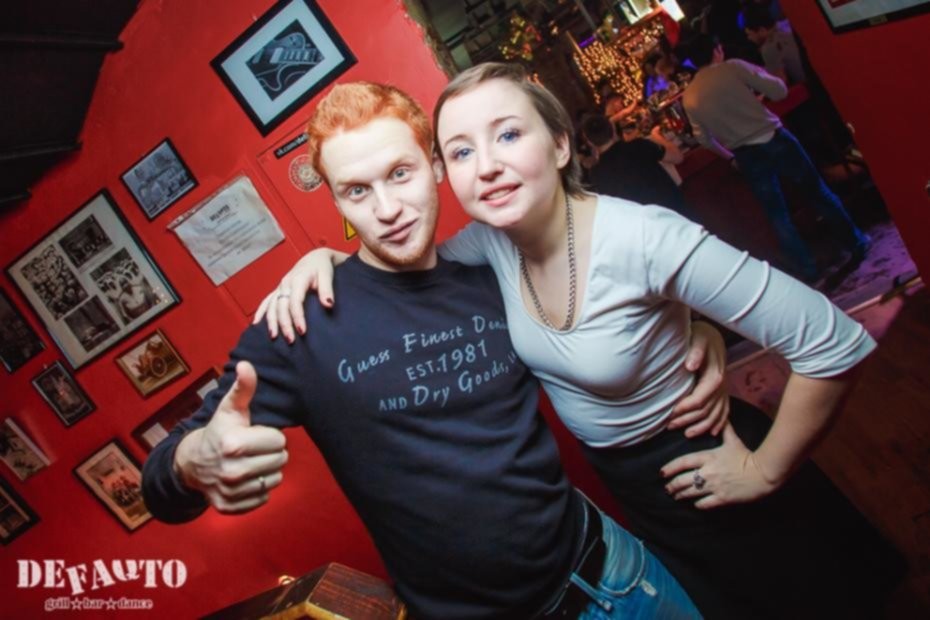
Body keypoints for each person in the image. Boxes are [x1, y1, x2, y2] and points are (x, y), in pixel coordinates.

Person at [260, 63, 904, 619]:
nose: (488, 165)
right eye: (461, 151)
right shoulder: (488, 246)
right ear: (444, 173)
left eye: (508, 134)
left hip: (706, 460)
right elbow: (397, 263)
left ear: (562, 144)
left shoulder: (644, 237)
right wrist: (323, 258)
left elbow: (832, 341)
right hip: (636, 493)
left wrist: (764, 470)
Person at [141, 81, 726, 619]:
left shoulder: (494, 271)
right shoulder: (300, 324)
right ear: (338, 202)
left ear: (436, 165)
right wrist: (192, 461)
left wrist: (697, 336)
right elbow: (160, 483)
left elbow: (608, 320)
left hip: (619, 577)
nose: (387, 210)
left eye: (401, 173)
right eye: (357, 191)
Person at [677, 33, 869, 281]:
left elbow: (703, 138)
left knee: (777, 215)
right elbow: (779, 91)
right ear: (716, 50)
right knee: (817, 193)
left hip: (745, 154)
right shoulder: (732, 68)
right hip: (774, 138)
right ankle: (855, 242)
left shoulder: (689, 97)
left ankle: (808, 268)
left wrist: (730, 157)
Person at [581, 113, 698, 223]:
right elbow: (678, 157)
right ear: (612, 129)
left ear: (590, 142)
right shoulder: (638, 145)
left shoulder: (596, 174)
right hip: (676, 214)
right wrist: (657, 136)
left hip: (648, 228)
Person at [741, 6, 806, 85]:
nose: (749, 38)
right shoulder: (788, 22)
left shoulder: (769, 48)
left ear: (762, 30)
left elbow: (780, 84)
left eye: (749, 34)